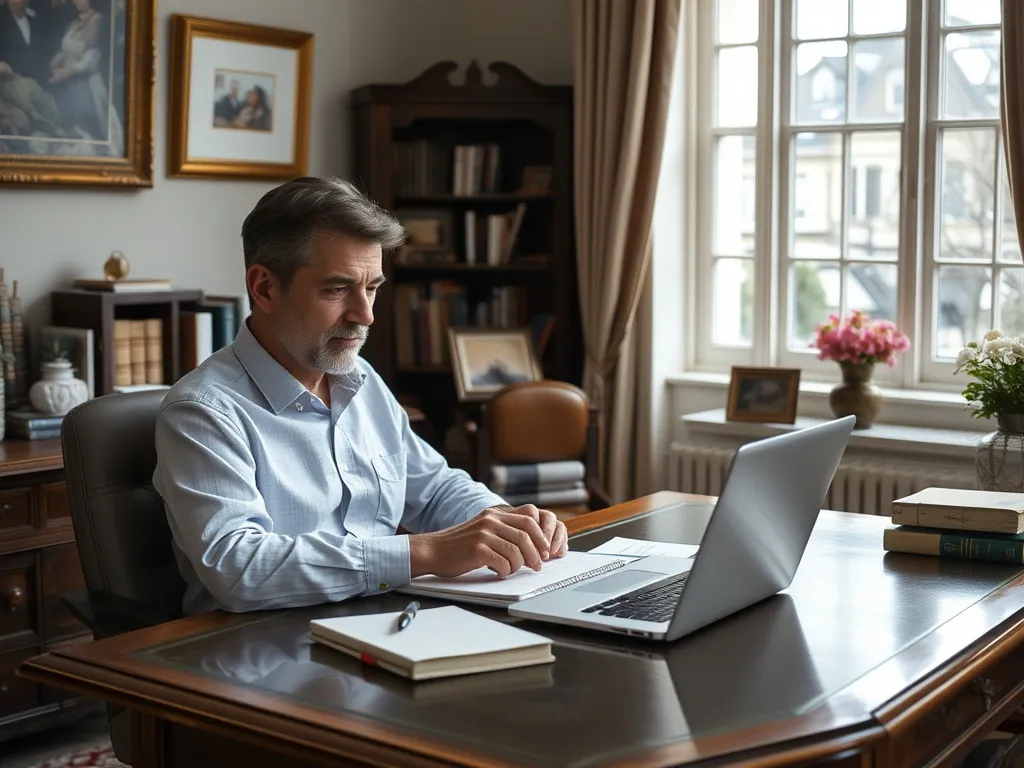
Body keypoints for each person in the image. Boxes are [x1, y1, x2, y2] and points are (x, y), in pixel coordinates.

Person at [152, 176, 568, 615]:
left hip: (383, 619)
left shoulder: (360, 378)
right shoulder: (202, 411)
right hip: (259, 649)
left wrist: (508, 524)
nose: (365, 314)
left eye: (372, 288)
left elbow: (434, 490)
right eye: (337, 289)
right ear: (265, 288)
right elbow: (239, 569)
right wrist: (424, 553)